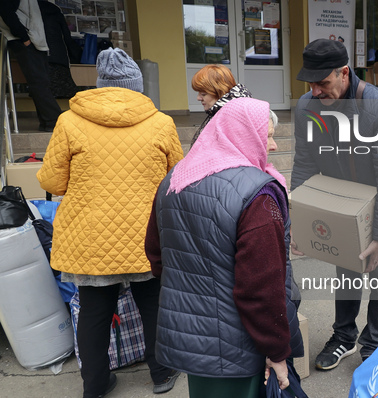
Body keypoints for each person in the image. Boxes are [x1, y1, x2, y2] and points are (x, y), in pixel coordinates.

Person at [36, 48, 184, 398]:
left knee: (93, 312)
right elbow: (177, 179)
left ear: (101, 84)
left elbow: (53, 183)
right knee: (153, 304)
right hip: (147, 236)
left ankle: (96, 385)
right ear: (138, 86)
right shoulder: (161, 122)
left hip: (89, 239)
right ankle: (162, 374)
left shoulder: (69, 121)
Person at [146, 97, 303, 397]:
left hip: (191, 342)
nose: (272, 146)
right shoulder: (258, 196)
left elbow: (156, 254)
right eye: (266, 136)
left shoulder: (175, 178)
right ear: (242, 133)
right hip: (241, 348)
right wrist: (277, 352)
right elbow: (261, 289)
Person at [291, 38, 378, 369]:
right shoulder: (307, 107)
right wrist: (297, 223)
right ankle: (343, 337)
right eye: (310, 83)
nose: (315, 91)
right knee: (347, 276)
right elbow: (304, 164)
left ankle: (374, 347)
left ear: (344, 73)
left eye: (323, 83)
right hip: (346, 209)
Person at [0, 0, 62, 131]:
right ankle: (55, 121)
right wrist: (24, 37)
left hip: (33, 39)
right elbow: (5, 10)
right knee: (40, 82)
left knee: (41, 83)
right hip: (25, 39)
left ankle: (48, 123)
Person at [189, 64, 252, 147]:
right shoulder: (224, 112)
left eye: (203, 94)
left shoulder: (230, 118)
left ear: (220, 92)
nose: (198, 98)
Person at [37, 0, 82, 99]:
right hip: (59, 54)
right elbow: (66, 35)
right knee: (66, 92)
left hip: (39, 52)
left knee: (43, 93)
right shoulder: (54, 9)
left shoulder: (31, 9)